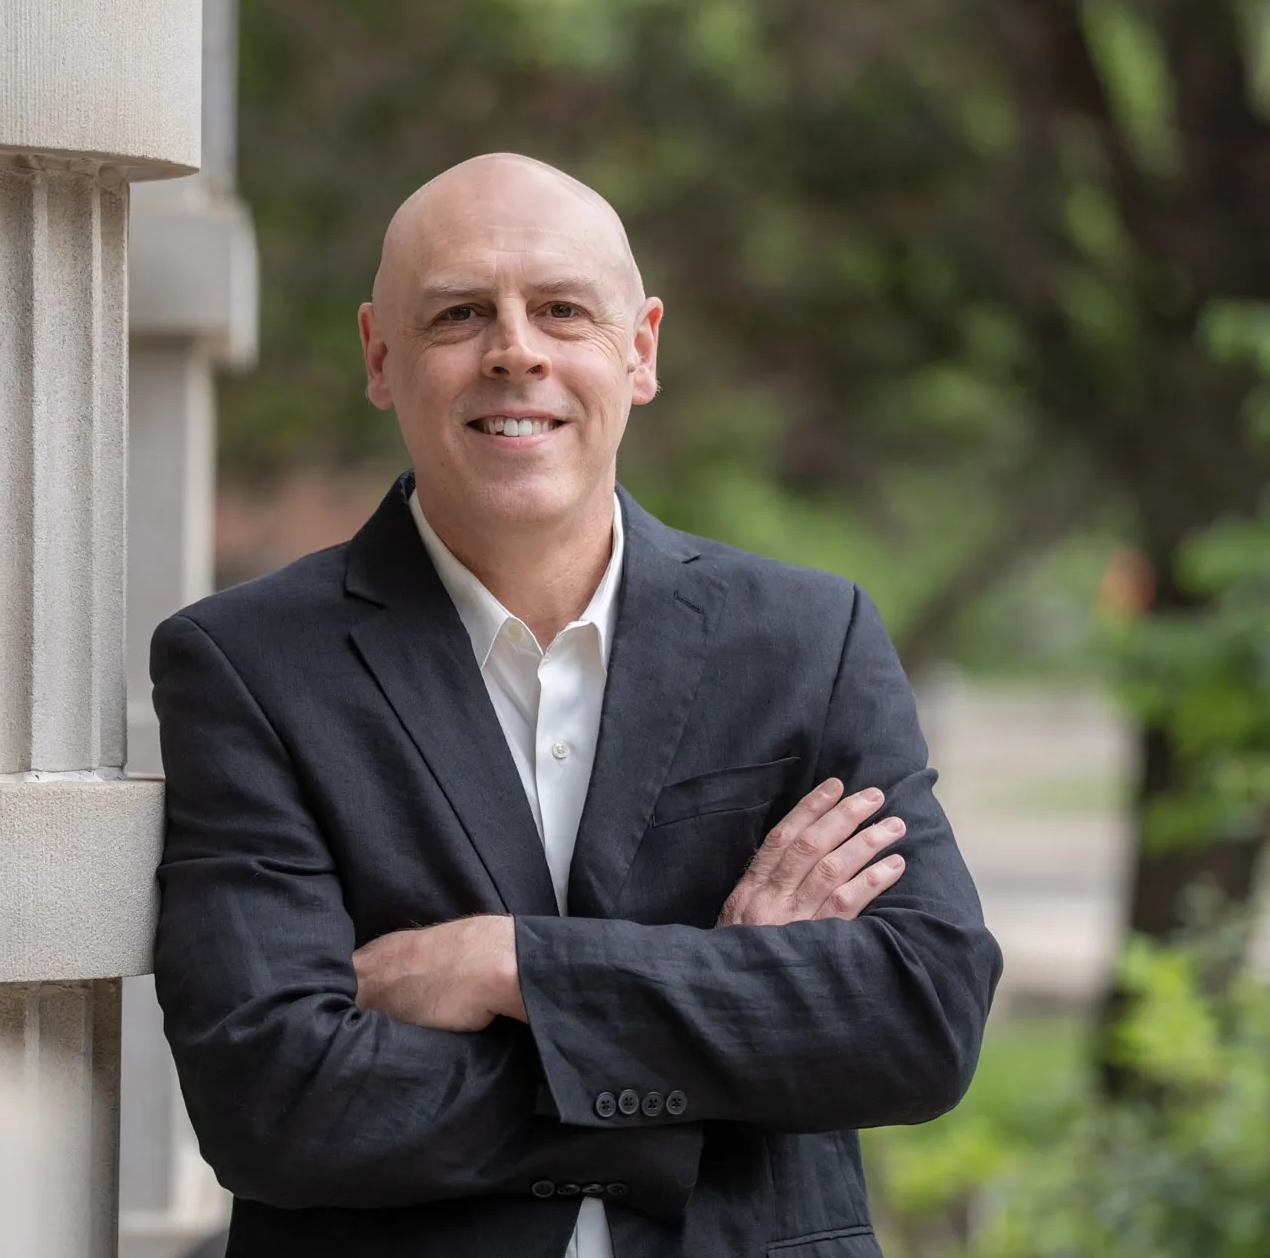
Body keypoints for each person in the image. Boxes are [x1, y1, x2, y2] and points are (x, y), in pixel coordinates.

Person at [149, 153, 1002, 1258]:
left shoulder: (806, 640)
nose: (515, 351)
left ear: (639, 348)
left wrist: (506, 963)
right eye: (459, 313)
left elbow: (918, 1017)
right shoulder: (244, 665)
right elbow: (274, 1099)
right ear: (379, 355)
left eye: (561, 309)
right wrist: (722, 1011)